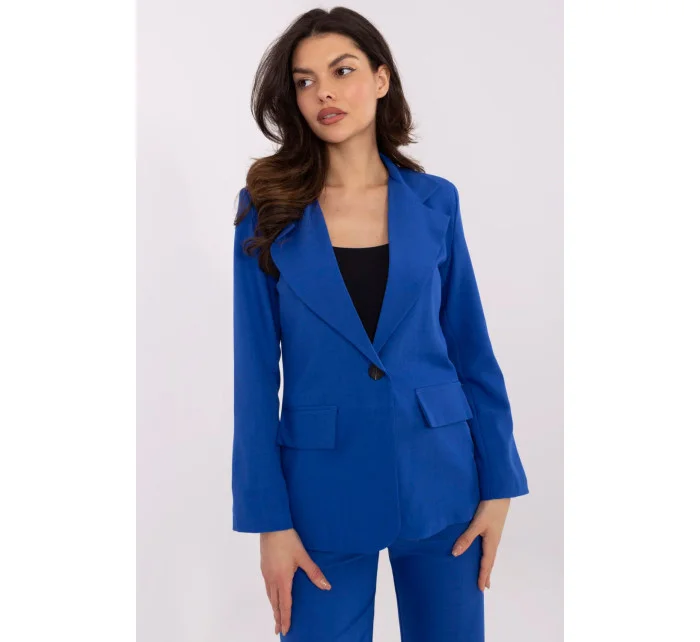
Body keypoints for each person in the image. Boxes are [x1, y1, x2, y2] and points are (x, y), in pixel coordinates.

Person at [231, 7, 529, 641]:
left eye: (342, 71)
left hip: (444, 481)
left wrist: (499, 486)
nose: (324, 92)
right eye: (305, 81)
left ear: (381, 79)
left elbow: (470, 349)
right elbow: (253, 377)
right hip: (319, 493)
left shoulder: (436, 200)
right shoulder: (267, 207)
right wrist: (269, 522)